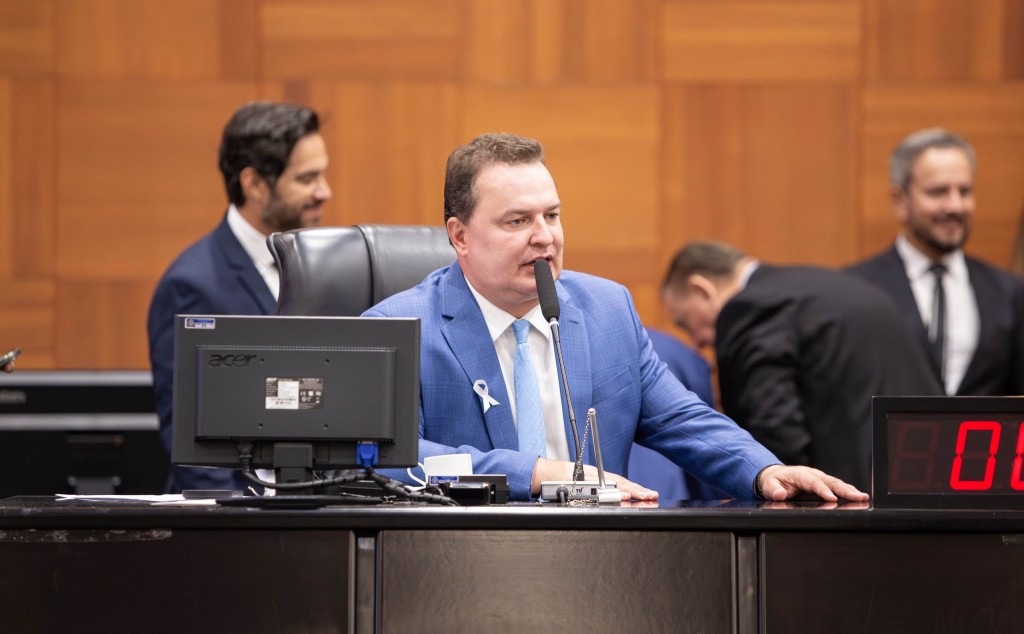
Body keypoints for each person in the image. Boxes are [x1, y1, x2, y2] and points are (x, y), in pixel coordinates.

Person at [364, 132, 867, 503]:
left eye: (551, 215)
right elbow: (387, 459)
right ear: (460, 236)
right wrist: (538, 473)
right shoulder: (399, 329)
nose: (545, 237)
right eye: (518, 221)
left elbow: (683, 420)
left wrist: (764, 471)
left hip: (600, 562)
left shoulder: (606, 310)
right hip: (460, 562)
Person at [147, 101, 332, 492]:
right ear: (254, 184)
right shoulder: (191, 287)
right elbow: (193, 448)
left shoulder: (328, 269)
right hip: (236, 515)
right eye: (307, 178)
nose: (324, 191)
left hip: (317, 505)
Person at [662, 241, 943, 490]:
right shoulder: (829, 284)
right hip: (929, 466)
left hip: (852, 499)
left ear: (702, 290)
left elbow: (773, 429)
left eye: (685, 323)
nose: (698, 342)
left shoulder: (750, 307)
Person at [846, 128, 1024, 396]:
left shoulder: (1009, 292)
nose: (955, 206)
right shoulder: (857, 289)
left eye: (964, 191)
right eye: (938, 192)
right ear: (899, 201)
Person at [627, 328, 728, 500]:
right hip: (668, 490)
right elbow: (698, 430)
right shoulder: (678, 351)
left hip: (614, 493)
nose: (700, 340)